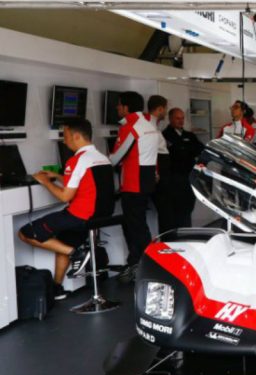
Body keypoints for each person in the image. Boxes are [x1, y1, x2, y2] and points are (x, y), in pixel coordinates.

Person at [18, 118, 114, 300]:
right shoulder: (102, 158)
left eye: (66, 136)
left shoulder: (76, 160)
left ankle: (77, 254)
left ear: (76, 136)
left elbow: (65, 197)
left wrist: (45, 181)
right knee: (63, 243)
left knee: (25, 233)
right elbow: (84, 182)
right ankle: (57, 289)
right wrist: (58, 176)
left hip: (80, 215)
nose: (64, 140)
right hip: (100, 215)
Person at [110, 91, 160, 282]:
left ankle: (144, 266)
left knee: (135, 227)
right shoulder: (149, 125)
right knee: (138, 225)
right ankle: (137, 263)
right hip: (146, 180)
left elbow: (115, 158)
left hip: (133, 183)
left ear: (126, 107)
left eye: (119, 104)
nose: (117, 107)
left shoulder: (130, 127)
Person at [160, 107, 204, 231]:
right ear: (170, 119)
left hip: (188, 179)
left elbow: (200, 150)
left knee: (187, 210)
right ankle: (176, 237)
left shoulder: (190, 135)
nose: (181, 121)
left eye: (182, 118)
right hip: (173, 181)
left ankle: (187, 235)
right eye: (177, 118)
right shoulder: (164, 136)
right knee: (174, 214)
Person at [147, 95, 172, 233]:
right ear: (160, 109)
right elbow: (151, 152)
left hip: (163, 170)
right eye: (165, 109)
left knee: (166, 210)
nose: (166, 112)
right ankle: (166, 239)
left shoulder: (154, 126)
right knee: (165, 210)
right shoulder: (149, 127)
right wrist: (156, 172)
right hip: (159, 171)